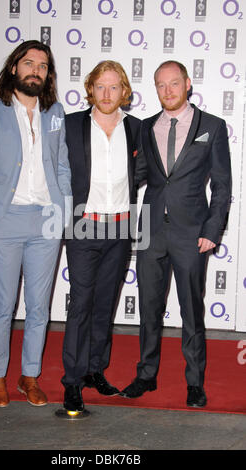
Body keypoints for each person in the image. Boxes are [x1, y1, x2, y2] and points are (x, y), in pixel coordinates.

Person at [0, 40, 71, 408]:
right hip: (4, 222)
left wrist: (63, 213)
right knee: (2, 306)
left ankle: (29, 377)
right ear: (14, 68)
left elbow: (61, 166)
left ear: (48, 74)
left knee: (39, 307)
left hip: (46, 222)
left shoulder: (54, 112)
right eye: (29, 63)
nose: (36, 70)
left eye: (42, 65)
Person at [121, 60, 231, 407]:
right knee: (149, 308)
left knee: (191, 310)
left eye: (173, 83)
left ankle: (195, 382)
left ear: (187, 84)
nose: (167, 91)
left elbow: (223, 185)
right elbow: (134, 176)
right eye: (160, 85)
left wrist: (213, 230)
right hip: (151, 230)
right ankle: (146, 375)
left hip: (192, 233)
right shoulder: (146, 127)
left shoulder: (212, 126)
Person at [61, 61, 141, 412]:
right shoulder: (70, 125)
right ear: (90, 89)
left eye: (114, 87)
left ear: (124, 91)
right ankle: (72, 380)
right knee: (81, 304)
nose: (107, 94)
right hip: (83, 226)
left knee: (105, 303)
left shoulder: (137, 128)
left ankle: (95, 369)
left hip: (121, 227)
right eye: (100, 87)